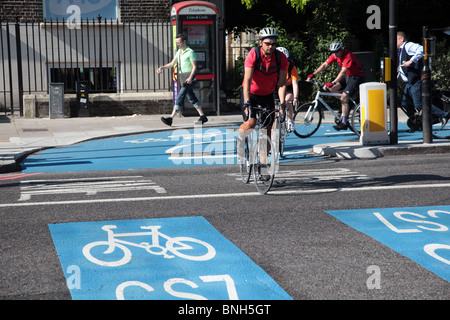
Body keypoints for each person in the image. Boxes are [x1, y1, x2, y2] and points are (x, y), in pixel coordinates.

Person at [237, 27, 288, 160]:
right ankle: (240, 139)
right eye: (267, 43)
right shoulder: (253, 54)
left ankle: (263, 163)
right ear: (261, 43)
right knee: (251, 123)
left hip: (267, 95)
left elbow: (282, 84)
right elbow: (247, 80)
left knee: (268, 130)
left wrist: (282, 104)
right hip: (251, 94)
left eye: (273, 44)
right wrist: (247, 102)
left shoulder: (281, 58)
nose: (270, 46)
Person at [307, 41, 365, 131]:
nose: (334, 54)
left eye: (336, 52)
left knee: (343, 97)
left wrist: (333, 82)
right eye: (332, 52)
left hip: (356, 77)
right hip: (347, 77)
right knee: (332, 89)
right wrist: (313, 74)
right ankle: (347, 102)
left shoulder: (348, 56)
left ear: (341, 50)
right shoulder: (335, 55)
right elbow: (325, 65)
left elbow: (343, 71)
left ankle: (344, 122)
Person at [397, 31, 449, 126]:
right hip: (409, 82)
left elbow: (421, 49)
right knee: (404, 103)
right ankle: (417, 121)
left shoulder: (408, 46)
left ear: (401, 39)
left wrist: (411, 61)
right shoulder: (400, 50)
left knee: (419, 104)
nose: (393, 42)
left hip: (415, 80)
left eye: (395, 39)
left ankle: (443, 115)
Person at [157, 33, 208, 126]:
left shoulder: (190, 52)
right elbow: (172, 63)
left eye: (179, 42)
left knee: (179, 97)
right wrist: (162, 67)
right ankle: (203, 116)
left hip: (188, 78)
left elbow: (194, 66)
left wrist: (190, 78)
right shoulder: (179, 52)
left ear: (184, 42)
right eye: (177, 43)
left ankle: (171, 118)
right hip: (182, 77)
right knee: (191, 98)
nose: (178, 44)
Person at [276, 47, 299, 132]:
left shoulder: (291, 67)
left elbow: (295, 84)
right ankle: (275, 124)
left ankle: (290, 120)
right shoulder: (273, 66)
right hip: (276, 87)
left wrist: (295, 98)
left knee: (288, 100)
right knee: (274, 107)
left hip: (288, 87)